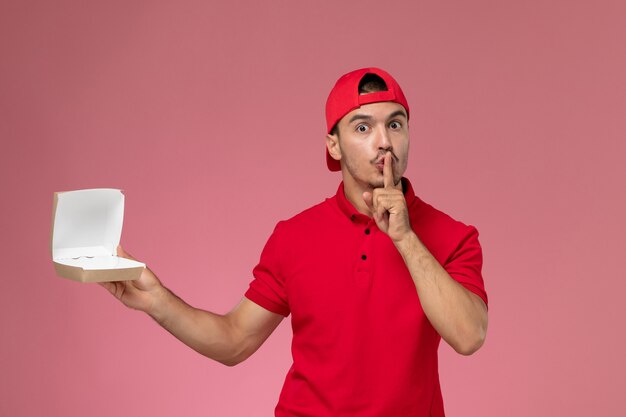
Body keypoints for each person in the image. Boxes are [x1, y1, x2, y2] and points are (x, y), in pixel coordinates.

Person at [101, 67, 489, 417]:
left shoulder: (453, 235)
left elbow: (469, 336)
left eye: (396, 125)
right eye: (362, 127)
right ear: (333, 146)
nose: (383, 142)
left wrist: (405, 238)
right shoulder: (294, 237)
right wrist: (157, 301)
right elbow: (235, 340)